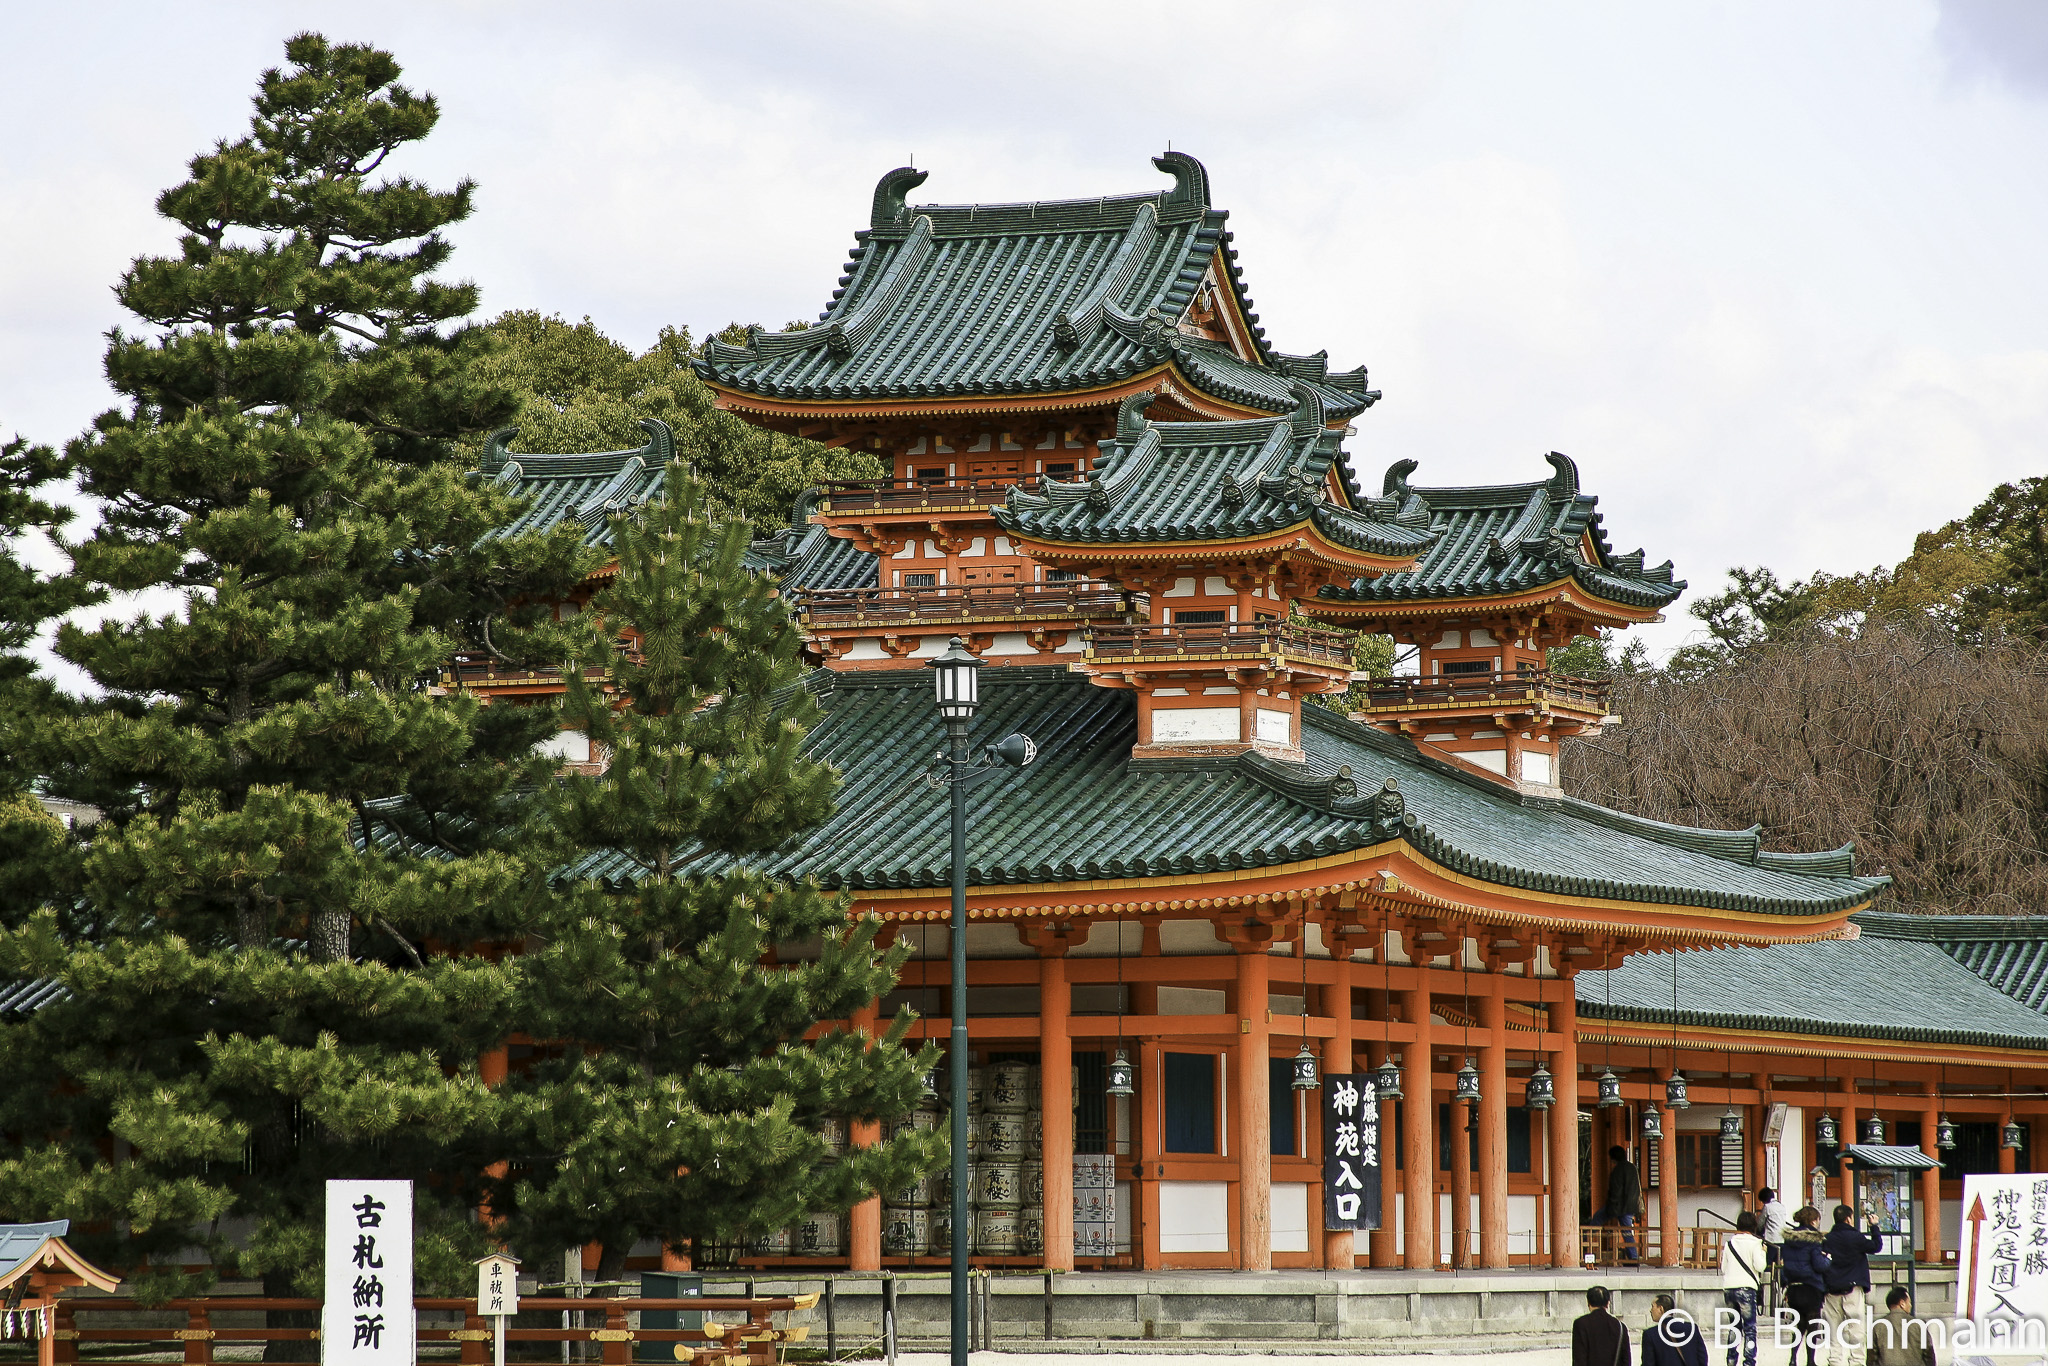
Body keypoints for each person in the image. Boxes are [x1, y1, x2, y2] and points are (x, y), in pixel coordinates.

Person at [1820, 1204, 1884, 1366]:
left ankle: (1834, 1360)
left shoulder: (1828, 1239)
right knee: (1856, 1326)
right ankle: (1856, 1360)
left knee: (1833, 1327)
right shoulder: (1855, 1237)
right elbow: (1876, 1246)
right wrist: (1874, 1227)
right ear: (1848, 1219)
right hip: (1853, 1286)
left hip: (1832, 1287)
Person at [1779, 1206, 1832, 1366]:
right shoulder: (1814, 1240)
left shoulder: (1789, 1239)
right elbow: (1819, 1265)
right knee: (1812, 1324)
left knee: (1799, 1324)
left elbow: (1785, 1264)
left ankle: (1793, 1358)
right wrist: (1828, 1260)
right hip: (1812, 1286)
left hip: (1794, 1286)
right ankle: (1810, 1360)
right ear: (1813, 1221)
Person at [1718, 1210, 1766, 1366]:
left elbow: (1723, 1268)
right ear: (1753, 1226)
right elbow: (1760, 1266)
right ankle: (1749, 1361)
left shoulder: (1729, 1244)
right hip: (1746, 1288)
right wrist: (1763, 1253)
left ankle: (1731, 1359)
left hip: (1729, 1288)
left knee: (1734, 1326)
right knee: (1749, 1328)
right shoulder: (1755, 1243)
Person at [1596, 1144, 1643, 1262]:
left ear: (1613, 1158)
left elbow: (1616, 1191)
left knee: (1596, 1221)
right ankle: (1633, 1257)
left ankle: (1586, 1245)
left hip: (1619, 1206)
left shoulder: (1618, 1170)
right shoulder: (1632, 1167)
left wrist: (1611, 1205)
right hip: (1630, 1205)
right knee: (1627, 1231)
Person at [1871, 1287, 1934, 1366]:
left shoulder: (1877, 1326)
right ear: (1902, 1304)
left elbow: (1872, 1358)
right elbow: (1929, 1355)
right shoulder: (1919, 1325)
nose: (1910, 1305)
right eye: (1909, 1302)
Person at [1643, 1293, 1709, 1366]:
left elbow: (1648, 1363)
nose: (1651, 1310)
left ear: (1661, 1309)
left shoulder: (1650, 1334)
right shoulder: (1691, 1328)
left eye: (1653, 1306)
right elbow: (1702, 1357)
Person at [1574, 1284, 1632, 1366]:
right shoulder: (1620, 1326)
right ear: (1608, 1303)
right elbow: (1626, 1360)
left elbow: (1579, 1359)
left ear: (1588, 1303)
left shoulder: (1581, 1324)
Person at [1755, 1187, 1787, 1267]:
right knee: (1778, 1263)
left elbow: (1761, 1222)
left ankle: (1768, 1274)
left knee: (1768, 1263)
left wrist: (1758, 1231)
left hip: (1772, 1239)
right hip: (1782, 1238)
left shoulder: (1767, 1207)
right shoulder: (1781, 1206)